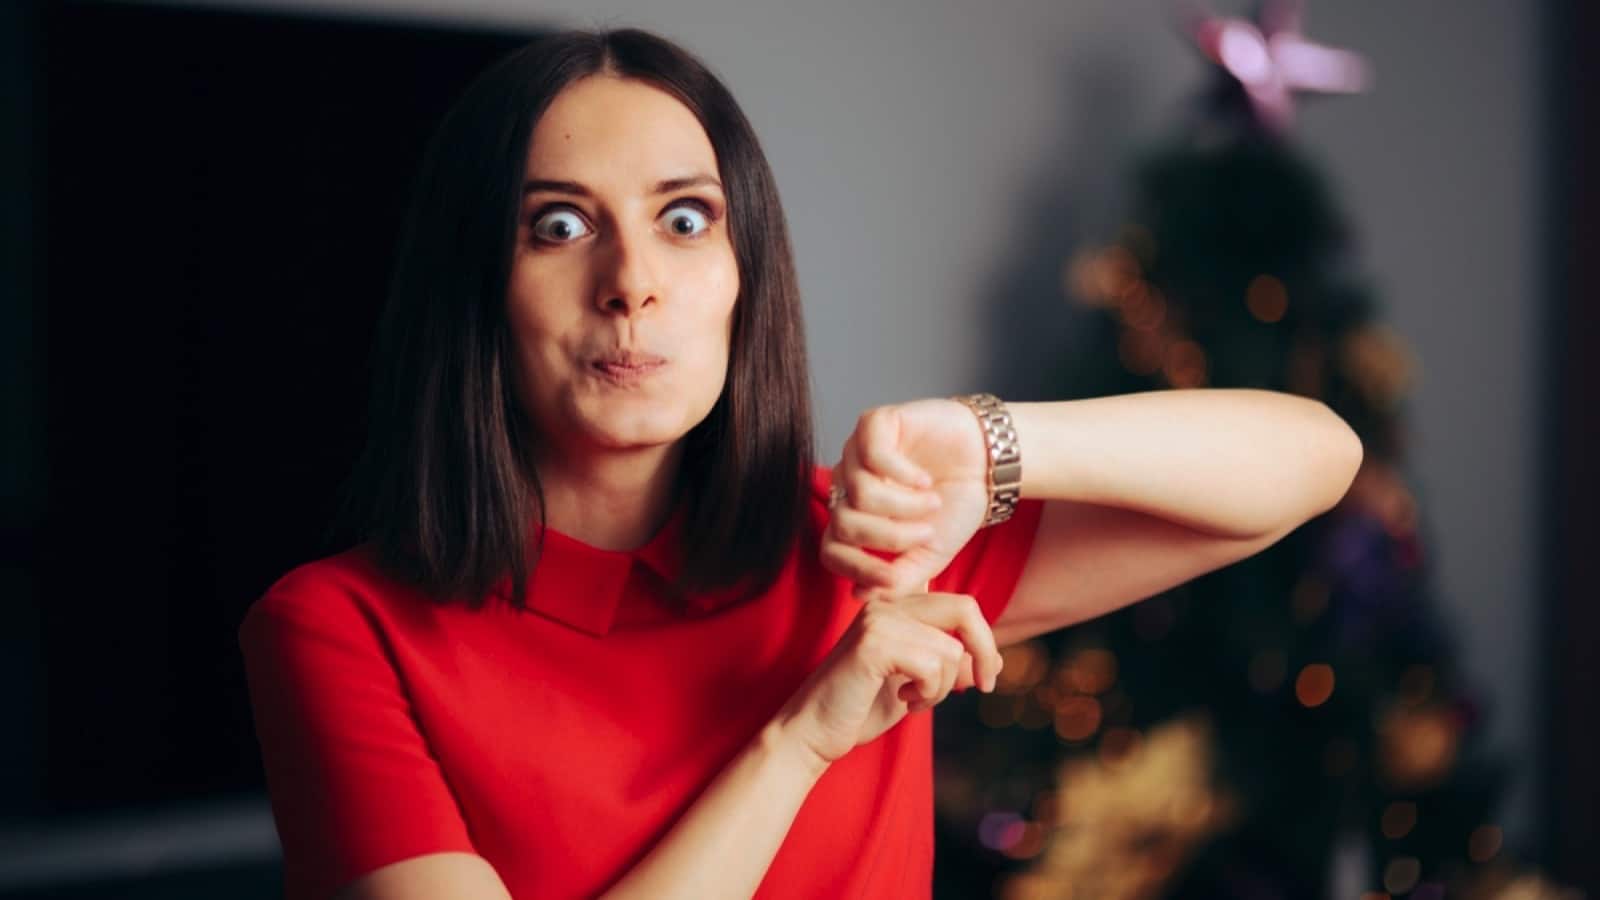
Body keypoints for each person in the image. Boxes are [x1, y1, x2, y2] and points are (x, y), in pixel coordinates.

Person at [238, 26, 1363, 900]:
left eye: (685, 220)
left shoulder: (870, 549)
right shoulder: (338, 631)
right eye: (561, 228)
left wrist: (989, 442)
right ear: (474, 287)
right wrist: (800, 739)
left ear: (744, 276)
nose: (633, 281)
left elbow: (1312, 458)